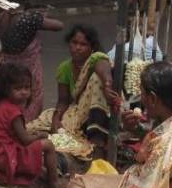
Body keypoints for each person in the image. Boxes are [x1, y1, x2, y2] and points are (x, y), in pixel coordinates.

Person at [27, 24, 121, 160]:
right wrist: (56, 118)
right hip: (77, 111)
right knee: (33, 128)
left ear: (91, 47)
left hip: (99, 112)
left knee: (96, 79)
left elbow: (102, 64)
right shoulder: (65, 68)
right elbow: (63, 100)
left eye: (83, 44)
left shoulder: (96, 60)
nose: (77, 47)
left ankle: (97, 142)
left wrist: (107, 86)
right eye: (74, 43)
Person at [0, 0, 63, 121]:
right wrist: (38, 18)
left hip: (7, 68)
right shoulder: (29, 18)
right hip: (27, 70)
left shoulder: (3, 17)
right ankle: (26, 130)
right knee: (30, 99)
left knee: (9, 100)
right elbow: (59, 25)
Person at [0, 62, 61, 188]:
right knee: (48, 145)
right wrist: (41, 135)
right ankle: (53, 184)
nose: (24, 92)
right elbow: (25, 140)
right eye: (18, 88)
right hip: (6, 156)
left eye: (27, 88)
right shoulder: (13, 112)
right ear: (6, 89)